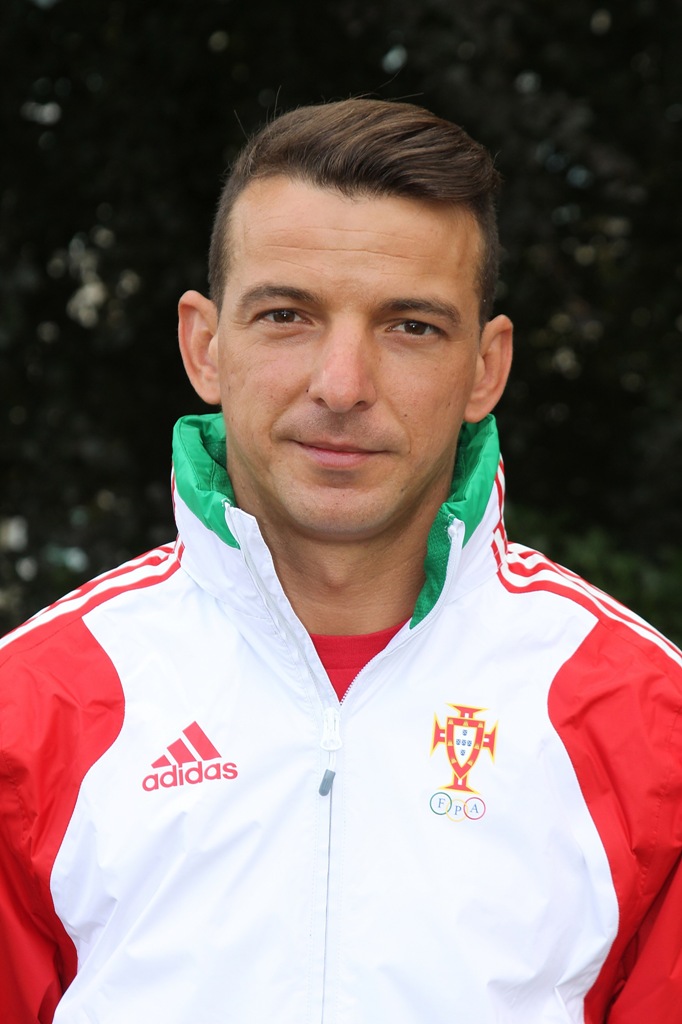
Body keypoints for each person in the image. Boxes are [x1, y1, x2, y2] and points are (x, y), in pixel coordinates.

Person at [1, 98, 681, 1024]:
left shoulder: (646, 718)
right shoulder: (31, 709)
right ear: (205, 346)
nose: (342, 385)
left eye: (411, 327)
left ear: (486, 368)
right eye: (287, 315)